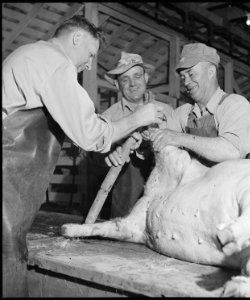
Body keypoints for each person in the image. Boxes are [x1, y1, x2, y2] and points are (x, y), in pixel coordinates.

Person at [2, 16, 165, 297]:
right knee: (7, 256)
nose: (89, 64)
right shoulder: (56, 63)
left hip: (11, 177)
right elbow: (89, 135)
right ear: (76, 39)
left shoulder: (28, 53)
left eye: (137, 76)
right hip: (7, 181)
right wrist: (136, 120)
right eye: (90, 54)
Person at [150, 42, 250, 166]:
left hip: (237, 183)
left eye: (191, 74)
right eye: (183, 77)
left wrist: (178, 138)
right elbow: (161, 133)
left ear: (210, 72)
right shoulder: (184, 113)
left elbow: (232, 151)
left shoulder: (235, 105)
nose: (186, 82)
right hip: (204, 184)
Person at [101, 51, 181, 218]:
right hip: (127, 197)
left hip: (164, 195)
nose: (133, 84)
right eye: (125, 79)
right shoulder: (108, 118)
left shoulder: (166, 111)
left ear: (146, 78)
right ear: (117, 85)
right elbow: (96, 159)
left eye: (137, 76)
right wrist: (111, 154)